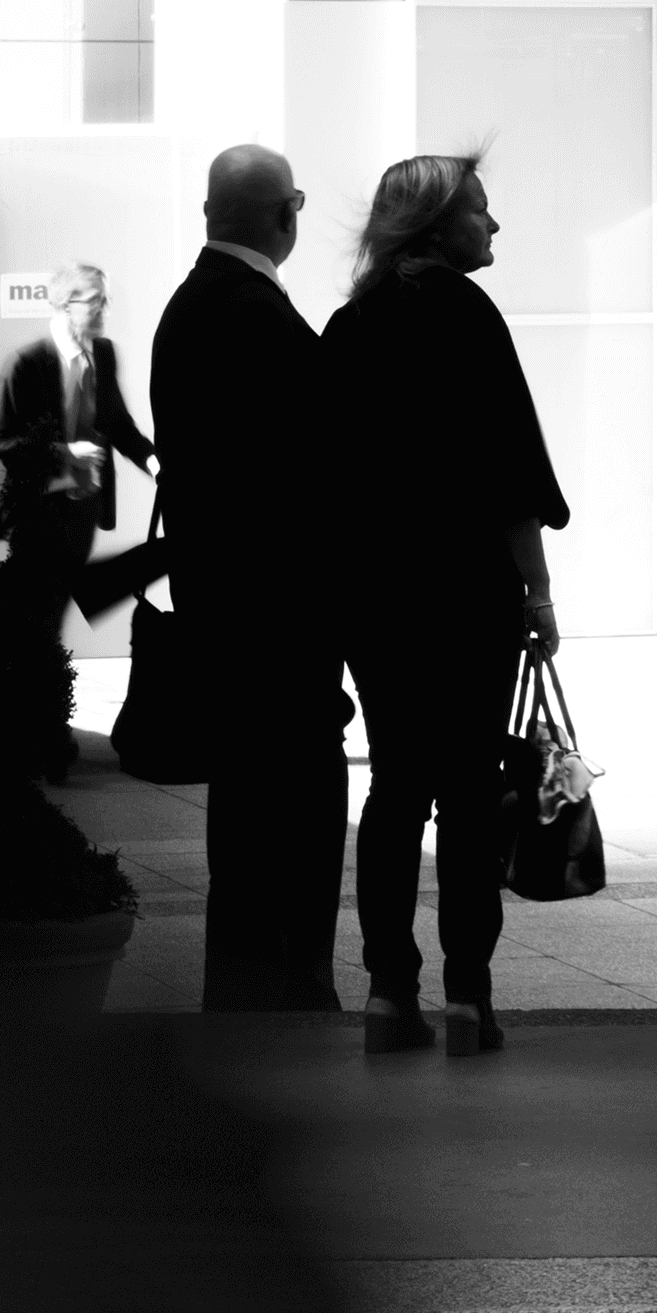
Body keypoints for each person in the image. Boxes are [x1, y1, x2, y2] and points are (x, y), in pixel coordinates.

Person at [320, 154, 567, 1059]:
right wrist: (537, 589)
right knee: (468, 794)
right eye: (482, 212)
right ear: (437, 225)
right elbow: (509, 470)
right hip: (467, 593)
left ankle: (389, 993)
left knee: (394, 787)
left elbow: (326, 476)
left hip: (377, 597)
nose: (493, 228)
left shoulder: (350, 325)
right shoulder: (468, 315)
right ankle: (469, 1000)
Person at [151, 147, 351, 1011]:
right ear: (288, 212)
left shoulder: (188, 307)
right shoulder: (256, 315)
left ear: (207, 214)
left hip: (220, 605)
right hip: (279, 618)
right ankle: (289, 983)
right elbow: (303, 473)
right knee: (297, 805)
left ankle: (241, 983)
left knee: (242, 815)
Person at [0, 262, 157, 782]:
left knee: (52, 615)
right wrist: (63, 452)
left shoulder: (102, 354)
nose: (103, 309)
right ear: (63, 305)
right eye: (93, 300)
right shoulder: (26, 362)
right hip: (36, 509)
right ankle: (43, 736)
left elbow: (117, 423)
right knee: (41, 618)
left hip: (82, 509)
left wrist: (152, 461)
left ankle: (42, 732)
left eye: (104, 299)